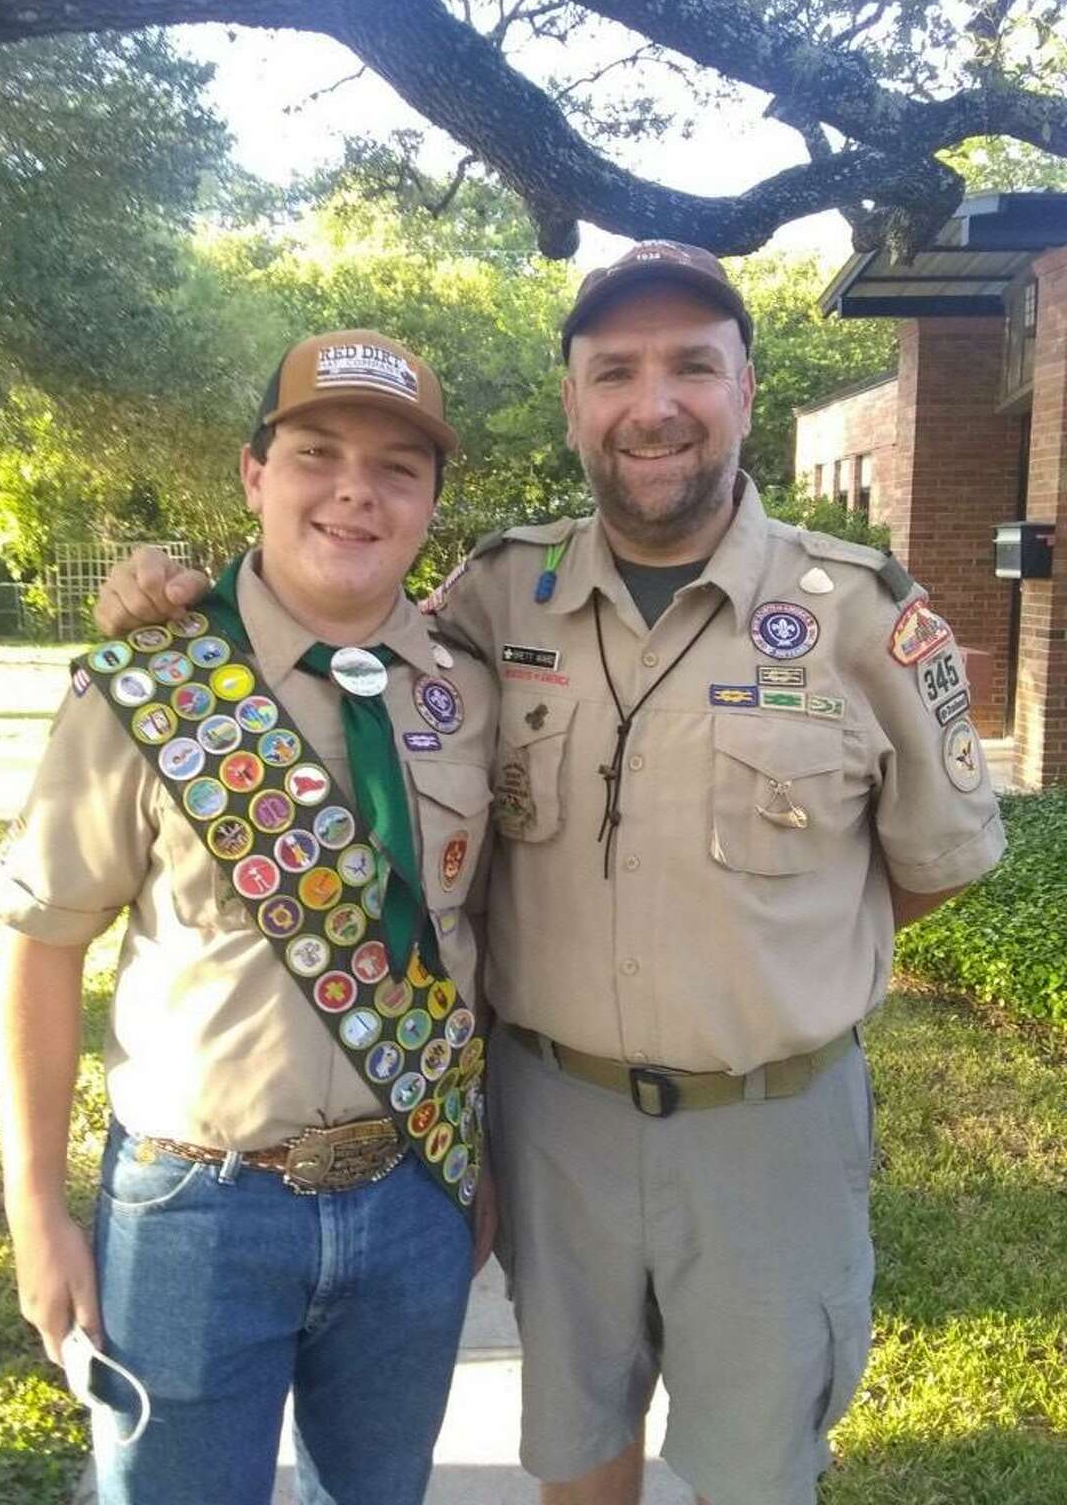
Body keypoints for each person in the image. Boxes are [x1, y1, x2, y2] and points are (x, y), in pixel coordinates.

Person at [94, 244, 1006, 1505]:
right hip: (550, 1121)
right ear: (575, 400)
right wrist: (172, 601)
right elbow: (336, 627)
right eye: (614, 370)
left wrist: (765, 958)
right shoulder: (494, 595)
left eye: (693, 365)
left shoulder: (857, 614)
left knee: (755, 1469)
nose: (655, 403)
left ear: (746, 389)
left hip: (769, 1129)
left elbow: (939, 859)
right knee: (574, 1447)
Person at [0, 329, 499, 1505]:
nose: (355, 489)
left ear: (428, 503)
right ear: (256, 475)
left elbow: (481, 942)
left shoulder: (467, 690)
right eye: (317, 451)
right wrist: (35, 1210)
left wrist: (481, 1166)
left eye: (398, 467)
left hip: (413, 1189)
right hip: (193, 1209)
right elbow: (41, 946)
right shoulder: (151, 682)